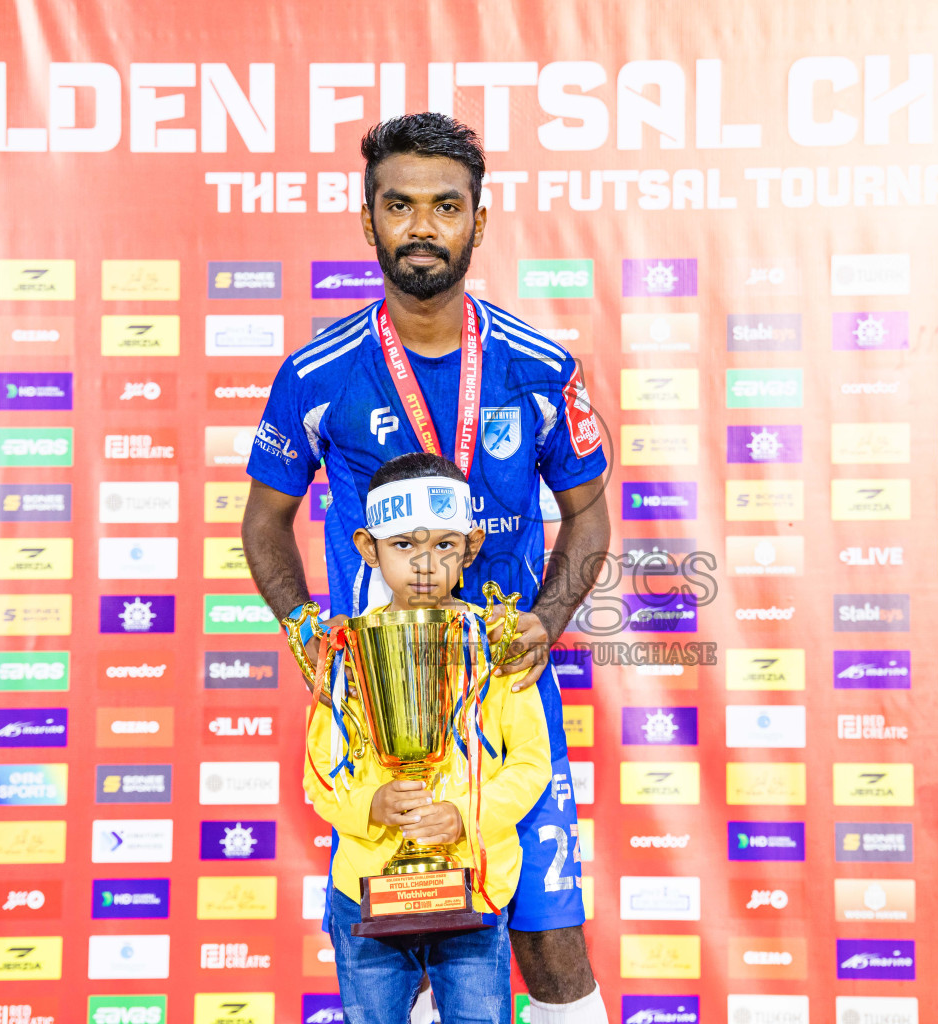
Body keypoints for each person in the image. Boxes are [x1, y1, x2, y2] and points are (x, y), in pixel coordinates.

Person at [242, 113, 610, 1023]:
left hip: (503, 699)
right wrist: (307, 639)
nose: (421, 226)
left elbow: (590, 515)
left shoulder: (539, 364)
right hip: (374, 706)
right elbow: (264, 524)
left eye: (445, 207)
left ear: (477, 222)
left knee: (549, 938)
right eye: (398, 205)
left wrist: (545, 625)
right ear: (367, 220)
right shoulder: (316, 372)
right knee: (391, 936)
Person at [306, 452, 550, 1023]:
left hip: (474, 883)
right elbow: (319, 772)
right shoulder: (345, 652)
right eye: (404, 545)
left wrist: (464, 814)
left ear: (471, 546)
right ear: (367, 548)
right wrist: (370, 804)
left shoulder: (495, 645)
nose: (425, 565)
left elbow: (531, 762)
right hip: (365, 887)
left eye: (444, 545)